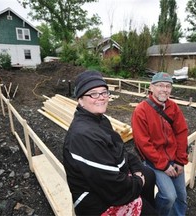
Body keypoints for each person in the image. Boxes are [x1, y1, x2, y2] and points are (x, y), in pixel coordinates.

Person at [63, 70, 157, 215]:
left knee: (149, 174)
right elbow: (114, 187)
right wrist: (138, 181)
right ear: (80, 100)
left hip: (111, 181)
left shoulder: (101, 120)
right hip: (95, 202)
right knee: (150, 211)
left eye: (104, 92)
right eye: (93, 93)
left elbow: (121, 151)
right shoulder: (83, 135)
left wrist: (137, 168)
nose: (101, 97)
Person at [131, 72, 189, 216]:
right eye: (160, 85)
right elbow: (143, 144)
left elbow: (181, 133)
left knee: (181, 196)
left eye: (168, 86)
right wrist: (164, 165)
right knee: (169, 196)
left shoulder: (173, 107)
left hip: (174, 158)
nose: (164, 89)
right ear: (151, 87)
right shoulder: (141, 111)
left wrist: (180, 160)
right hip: (154, 161)